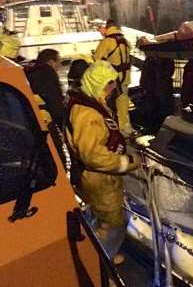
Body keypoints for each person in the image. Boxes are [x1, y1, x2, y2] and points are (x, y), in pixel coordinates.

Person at [63, 60, 141, 265]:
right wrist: (125, 162)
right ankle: (102, 262)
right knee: (113, 221)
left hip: (97, 178)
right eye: (109, 84)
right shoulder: (88, 113)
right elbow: (93, 155)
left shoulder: (89, 103)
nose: (113, 88)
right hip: (99, 179)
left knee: (97, 216)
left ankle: (96, 253)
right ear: (96, 84)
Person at [94, 19, 134, 135]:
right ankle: (126, 128)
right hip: (125, 78)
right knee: (123, 103)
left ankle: (115, 130)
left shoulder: (107, 42)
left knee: (109, 105)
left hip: (111, 80)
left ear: (108, 27)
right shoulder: (125, 41)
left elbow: (97, 59)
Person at [24, 49, 64, 129]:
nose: (60, 65)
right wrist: (62, 122)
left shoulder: (32, 71)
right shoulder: (46, 74)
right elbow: (53, 100)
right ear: (51, 62)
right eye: (59, 62)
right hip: (46, 120)